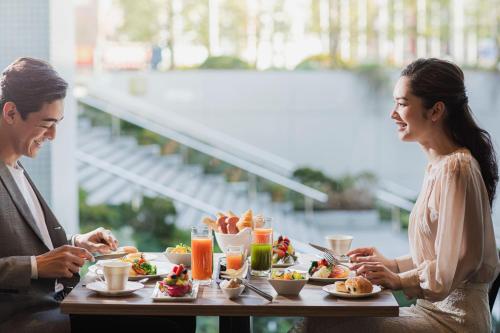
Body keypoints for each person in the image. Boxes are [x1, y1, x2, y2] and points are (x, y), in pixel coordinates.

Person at [292, 58, 499, 332]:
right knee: (321, 319)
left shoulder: (456, 168)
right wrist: (391, 264)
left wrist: (398, 279)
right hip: (430, 313)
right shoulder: (439, 167)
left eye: (402, 104)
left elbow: (459, 262)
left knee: (323, 324)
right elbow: (443, 254)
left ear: (436, 111)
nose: (393, 113)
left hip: (454, 324)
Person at [0, 57, 119, 332]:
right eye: (46, 123)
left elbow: (25, 245)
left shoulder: (15, 168)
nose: (52, 135)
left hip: (57, 304)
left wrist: (78, 243)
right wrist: (35, 266)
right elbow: (36, 263)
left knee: (173, 321)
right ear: (10, 113)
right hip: (23, 319)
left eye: (58, 123)